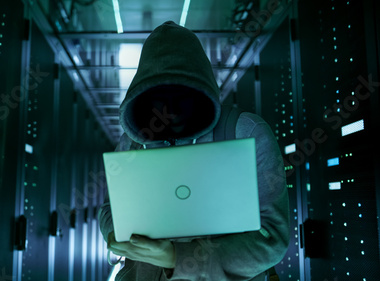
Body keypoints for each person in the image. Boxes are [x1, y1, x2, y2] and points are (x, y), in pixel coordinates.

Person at [98, 21, 290, 281]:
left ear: (201, 90)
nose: (170, 109)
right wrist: (124, 236)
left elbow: (272, 237)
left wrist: (178, 257)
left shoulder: (244, 131)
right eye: (159, 96)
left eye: (182, 94)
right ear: (142, 96)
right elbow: (109, 211)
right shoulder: (132, 142)